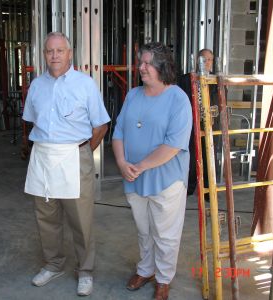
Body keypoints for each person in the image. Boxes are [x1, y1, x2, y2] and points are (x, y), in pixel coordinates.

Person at [22, 32, 110, 297]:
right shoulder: (37, 85)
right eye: (50, 51)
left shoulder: (85, 84)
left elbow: (101, 125)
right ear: (44, 55)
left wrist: (82, 152)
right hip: (43, 157)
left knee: (81, 220)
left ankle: (85, 271)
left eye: (60, 51)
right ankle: (54, 264)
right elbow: (31, 121)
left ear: (70, 53)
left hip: (74, 156)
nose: (55, 56)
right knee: (46, 217)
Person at [112, 42, 192, 300]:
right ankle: (145, 270)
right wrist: (123, 164)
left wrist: (140, 166)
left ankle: (164, 278)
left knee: (165, 234)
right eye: (141, 62)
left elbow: (173, 145)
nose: (141, 67)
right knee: (144, 229)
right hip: (133, 176)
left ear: (162, 67)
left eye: (147, 63)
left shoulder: (178, 98)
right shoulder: (133, 95)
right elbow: (119, 132)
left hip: (165, 179)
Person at [178, 49, 219, 196]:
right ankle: (188, 187)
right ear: (197, 61)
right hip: (189, 123)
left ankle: (208, 191)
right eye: (204, 59)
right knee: (190, 155)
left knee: (209, 156)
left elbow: (219, 103)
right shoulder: (185, 79)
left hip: (208, 123)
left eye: (210, 60)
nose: (207, 63)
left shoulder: (215, 80)